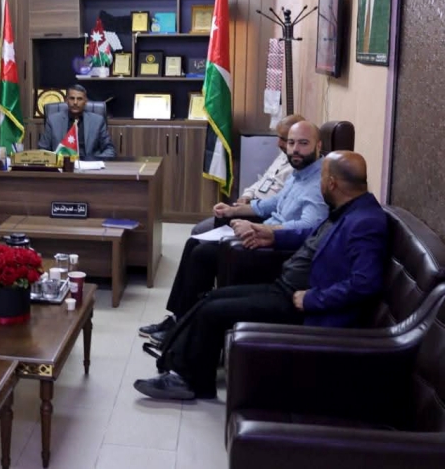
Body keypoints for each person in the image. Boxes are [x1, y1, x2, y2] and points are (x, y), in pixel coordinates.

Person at [134, 151, 387, 401]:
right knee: (211, 298)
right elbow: (310, 235)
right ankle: (178, 363)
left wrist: (313, 299)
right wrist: (273, 236)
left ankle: (189, 381)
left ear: (331, 183)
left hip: (301, 303)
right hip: (285, 287)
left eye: (321, 176)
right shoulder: (347, 209)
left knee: (214, 311)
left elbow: (365, 284)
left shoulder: (365, 222)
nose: (318, 182)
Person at [140, 121, 329, 344]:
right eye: (291, 143)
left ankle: (182, 326)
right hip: (263, 234)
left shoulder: (318, 183)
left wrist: (263, 229)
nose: (295, 149)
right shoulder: (299, 173)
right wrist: (234, 210)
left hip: (276, 249)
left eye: (303, 143)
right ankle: (177, 318)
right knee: (193, 243)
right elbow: (272, 203)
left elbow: (310, 228)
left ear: (319, 146)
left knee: (202, 254)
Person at [191, 114, 305, 236]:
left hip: (263, 212)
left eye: (284, 139)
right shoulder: (283, 155)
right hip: (252, 204)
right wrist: (247, 195)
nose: (278, 143)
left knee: (200, 231)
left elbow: (278, 204)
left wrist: (244, 208)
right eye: (279, 138)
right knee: (202, 230)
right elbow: (263, 180)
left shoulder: (299, 167)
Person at [37, 84, 115, 159]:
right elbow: (43, 150)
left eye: (79, 99)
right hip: (62, 164)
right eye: (72, 98)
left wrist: (94, 161)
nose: (75, 102)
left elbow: (109, 149)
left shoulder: (97, 121)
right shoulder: (53, 120)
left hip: (89, 165)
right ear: (66, 100)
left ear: (85, 101)